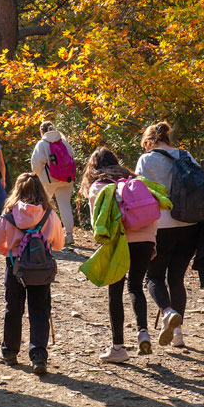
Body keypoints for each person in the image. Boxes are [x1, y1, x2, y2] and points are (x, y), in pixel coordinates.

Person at [80, 147, 158, 363]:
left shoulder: (98, 187)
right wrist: (153, 240)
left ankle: (118, 348)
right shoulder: (135, 181)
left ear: (94, 167)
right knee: (135, 286)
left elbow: (99, 225)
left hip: (119, 242)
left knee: (115, 292)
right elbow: (152, 212)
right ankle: (143, 332)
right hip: (145, 238)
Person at [135, 122, 200, 348]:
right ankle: (178, 335)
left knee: (152, 277)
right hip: (189, 225)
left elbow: (141, 193)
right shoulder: (186, 155)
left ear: (149, 141)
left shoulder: (146, 160)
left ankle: (167, 311)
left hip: (161, 226)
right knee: (176, 279)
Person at [0, 173, 65, 375]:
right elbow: (59, 243)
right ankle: (38, 356)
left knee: (13, 308)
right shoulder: (49, 213)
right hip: (41, 267)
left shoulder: (9, 213)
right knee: (40, 310)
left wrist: (12, 251)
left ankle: (9, 351)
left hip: (16, 266)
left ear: (17, 190)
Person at [30, 121, 76, 246]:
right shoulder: (64, 142)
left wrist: (38, 177)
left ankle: (43, 233)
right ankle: (69, 235)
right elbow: (72, 157)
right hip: (66, 180)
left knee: (43, 206)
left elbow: (36, 164)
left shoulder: (42, 144)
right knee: (65, 206)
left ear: (42, 132)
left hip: (48, 181)